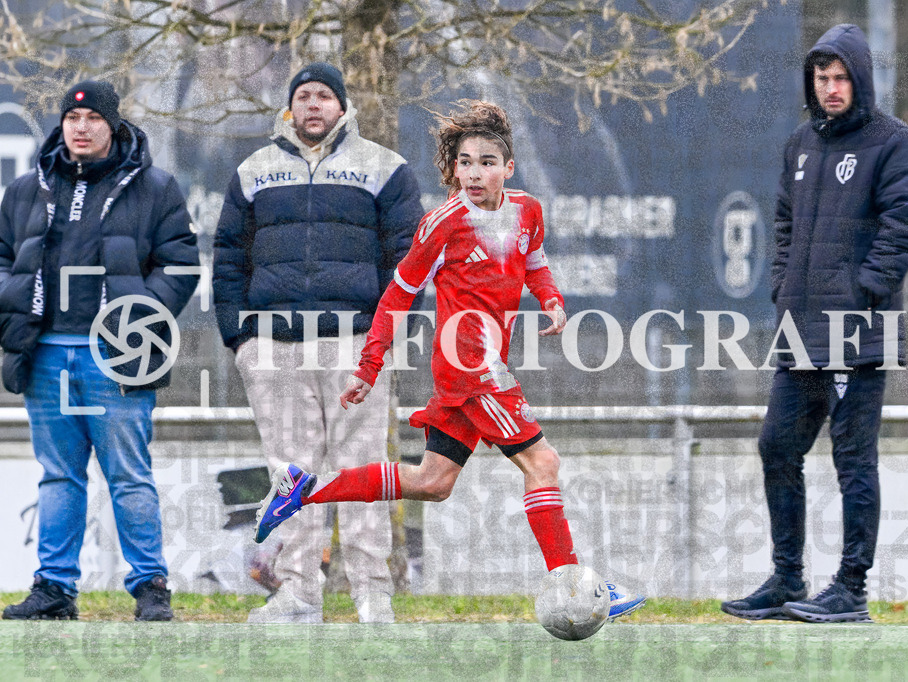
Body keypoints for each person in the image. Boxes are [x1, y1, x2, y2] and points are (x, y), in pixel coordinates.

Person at [251, 99, 646, 621]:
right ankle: (574, 587)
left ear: (509, 167)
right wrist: (369, 366)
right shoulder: (444, 223)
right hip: (472, 369)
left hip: (480, 368)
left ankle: (303, 490)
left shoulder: (528, 209)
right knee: (543, 462)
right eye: (464, 162)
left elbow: (535, 259)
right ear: (452, 168)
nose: (474, 172)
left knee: (432, 483)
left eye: (486, 161)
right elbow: (397, 294)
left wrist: (550, 298)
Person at [720, 24, 908, 623]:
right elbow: (783, 222)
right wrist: (783, 287)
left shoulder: (894, 142)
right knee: (777, 447)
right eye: (821, 77)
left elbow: (907, 224)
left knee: (852, 459)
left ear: (859, 79)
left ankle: (851, 590)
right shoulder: (801, 144)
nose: (830, 88)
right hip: (801, 330)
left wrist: (863, 290)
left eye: (840, 78)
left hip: (858, 335)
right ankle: (788, 579)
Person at [213, 62, 423, 623]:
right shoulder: (254, 170)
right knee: (291, 476)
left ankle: (372, 595)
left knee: (360, 470)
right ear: (289, 107)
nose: (312, 105)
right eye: (303, 96)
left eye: (323, 96)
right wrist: (241, 339)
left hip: (354, 345)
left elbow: (411, 255)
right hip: (275, 349)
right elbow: (229, 257)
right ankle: (299, 593)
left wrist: (386, 335)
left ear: (343, 106)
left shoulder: (384, 167)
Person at [0, 80, 199, 621]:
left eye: (92, 119)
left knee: (129, 475)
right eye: (71, 118)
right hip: (44, 355)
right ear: (62, 124)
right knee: (58, 475)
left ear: (113, 125)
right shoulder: (23, 191)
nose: (80, 127)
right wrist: (15, 306)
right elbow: (2, 261)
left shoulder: (155, 187)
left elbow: (180, 265)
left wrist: (135, 323)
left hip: (116, 359)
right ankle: (54, 591)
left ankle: (151, 589)